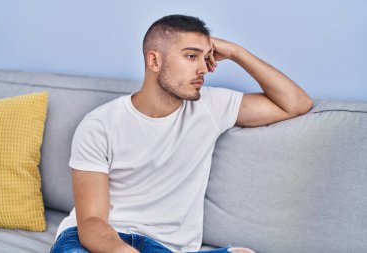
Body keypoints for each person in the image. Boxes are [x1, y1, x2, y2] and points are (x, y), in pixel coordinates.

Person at [51, 14, 313, 253]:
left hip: (164, 246)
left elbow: (296, 104)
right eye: (191, 56)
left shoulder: (211, 106)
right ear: (154, 60)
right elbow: (92, 223)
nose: (203, 68)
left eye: (206, 57)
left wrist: (236, 52)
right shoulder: (99, 124)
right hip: (96, 240)